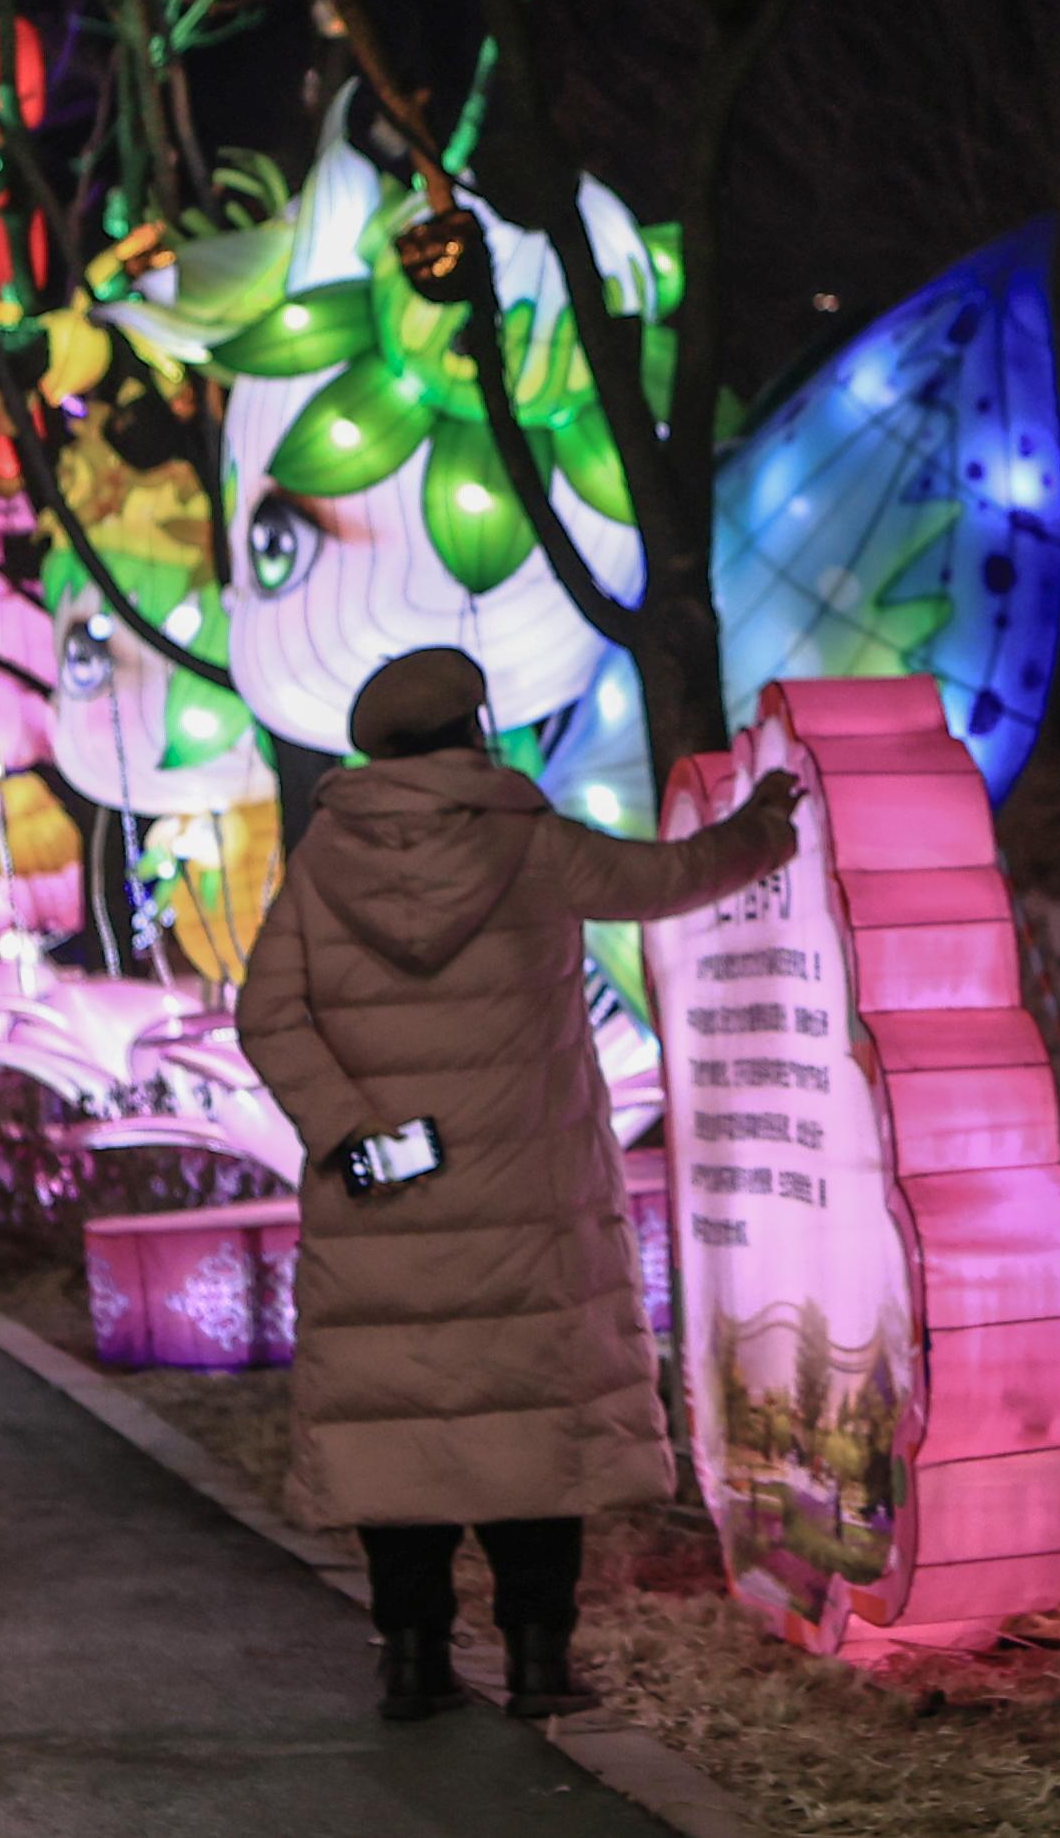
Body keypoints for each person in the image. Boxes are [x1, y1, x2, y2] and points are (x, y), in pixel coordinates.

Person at [241, 646, 802, 1724]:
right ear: (474, 726)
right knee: (531, 1438)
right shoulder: (528, 842)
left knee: (400, 1432)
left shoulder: (322, 860)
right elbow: (665, 880)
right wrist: (767, 830)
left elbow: (265, 1013)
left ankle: (412, 1659)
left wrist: (364, 1140)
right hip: (527, 1191)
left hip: (386, 1207)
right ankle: (540, 1659)